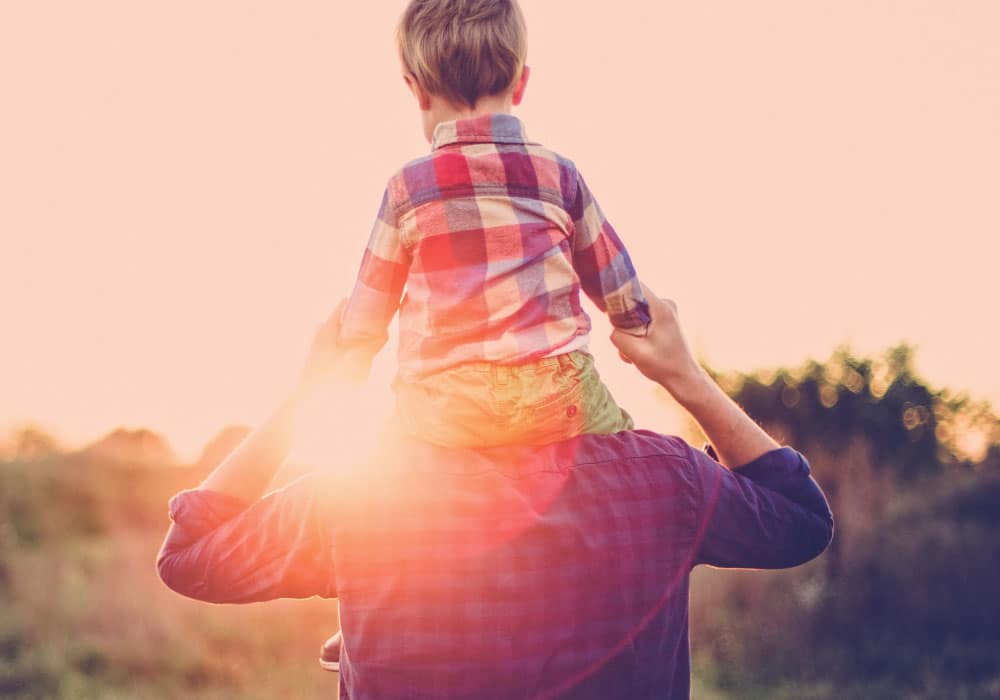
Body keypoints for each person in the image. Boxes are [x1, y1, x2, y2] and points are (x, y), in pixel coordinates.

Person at [157, 286, 834, 700]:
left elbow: (189, 553)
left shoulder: (366, 493)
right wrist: (685, 376)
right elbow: (801, 517)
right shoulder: (661, 480)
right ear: (567, 339)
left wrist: (309, 393)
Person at [336, 0, 650, 451]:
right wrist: (634, 324)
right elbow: (619, 286)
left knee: (385, 464)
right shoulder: (560, 176)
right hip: (559, 394)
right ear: (521, 83)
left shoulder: (407, 189)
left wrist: (349, 361)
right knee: (627, 448)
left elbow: (367, 314)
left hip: (443, 407)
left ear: (416, 90)